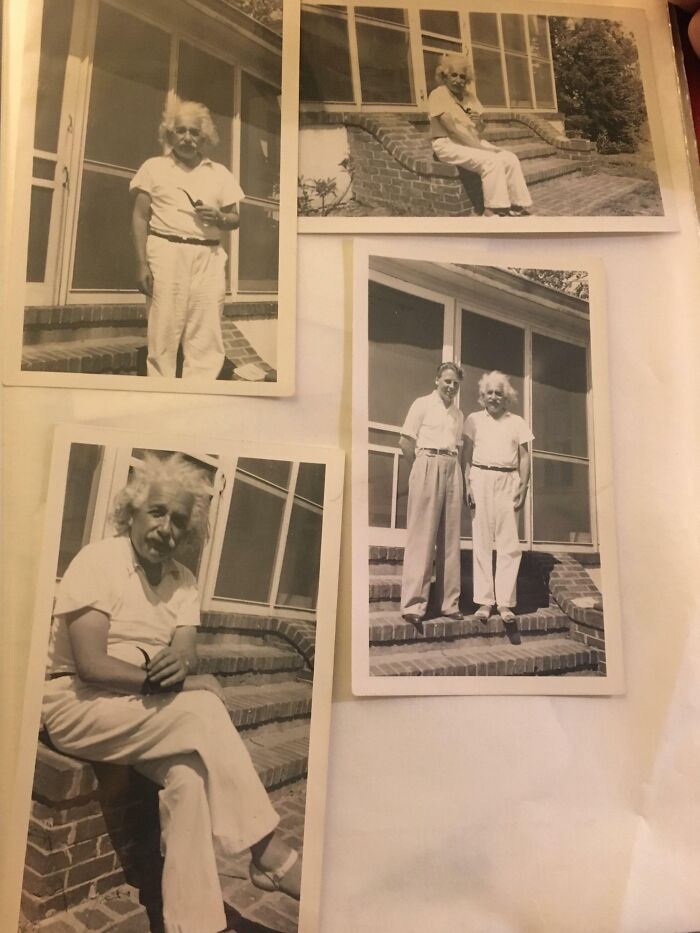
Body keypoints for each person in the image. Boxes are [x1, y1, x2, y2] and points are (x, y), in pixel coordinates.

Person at [42, 454, 301, 933]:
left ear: (189, 533)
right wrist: (158, 677)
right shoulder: (100, 560)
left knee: (188, 779)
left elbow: (185, 653)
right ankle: (269, 852)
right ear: (133, 512)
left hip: (139, 710)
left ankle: (194, 924)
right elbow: (91, 663)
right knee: (202, 707)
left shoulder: (183, 582)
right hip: (76, 704)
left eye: (179, 521)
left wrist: (180, 668)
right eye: (157, 512)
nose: (166, 528)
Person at [131, 98, 244, 379]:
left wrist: (218, 217)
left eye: (194, 132)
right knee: (163, 331)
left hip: (209, 257)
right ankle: (160, 395)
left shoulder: (220, 174)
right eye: (181, 130)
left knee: (206, 333)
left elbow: (235, 219)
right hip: (166, 252)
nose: (187, 138)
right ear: (169, 133)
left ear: (204, 136)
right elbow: (139, 217)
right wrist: (141, 263)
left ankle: (199, 396)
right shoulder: (153, 167)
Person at [463, 372, 533, 627]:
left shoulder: (517, 422)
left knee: (508, 544)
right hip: (480, 479)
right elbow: (467, 456)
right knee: (481, 540)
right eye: (489, 392)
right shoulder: (473, 420)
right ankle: (484, 601)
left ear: (507, 398)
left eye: (498, 393)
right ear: (483, 396)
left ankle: (504, 603)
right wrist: (467, 484)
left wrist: (523, 486)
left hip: (508, 481)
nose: (493, 397)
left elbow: (524, 458)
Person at [399, 362, 465, 626]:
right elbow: (405, 442)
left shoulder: (458, 415)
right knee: (421, 537)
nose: (451, 387)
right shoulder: (422, 404)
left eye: (455, 384)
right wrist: (420, 469)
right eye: (447, 381)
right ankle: (414, 605)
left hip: (452, 467)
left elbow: (458, 446)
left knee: (450, 538)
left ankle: (449, 603)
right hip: (426, 462)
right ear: (437, 379)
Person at [429, 53, 533, 217]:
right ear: (445, 76)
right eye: (454, 75)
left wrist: (478, 123)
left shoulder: (470, 97)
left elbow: (480, 128)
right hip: (447, 144)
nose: (458, 80)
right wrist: (481, 149)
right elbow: (452, 130)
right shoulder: (438, 94)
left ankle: (517, 205)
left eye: (463, 77)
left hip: (471, 140)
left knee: (509, 157)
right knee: (491, 160)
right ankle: (492, 210)